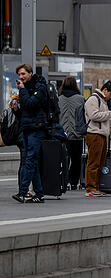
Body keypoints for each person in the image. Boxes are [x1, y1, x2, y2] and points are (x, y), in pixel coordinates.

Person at [12, 64, 49, 203]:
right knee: (32, 162)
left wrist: (22, 91)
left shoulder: (40, 87)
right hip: (27, 127)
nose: (21, 77)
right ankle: (39, 194)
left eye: (23, 74)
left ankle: (23, 192)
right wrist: (16, 108)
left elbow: (30, 104)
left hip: (37, 128)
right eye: (19, 75)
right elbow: (25, 111)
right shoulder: (27, 89)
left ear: (30, 73)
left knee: (30, 160)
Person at [83, 81, 111, 197]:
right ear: (105, 90)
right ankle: (90, 188)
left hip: (102, 134)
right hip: (94, 133)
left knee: (100, 163)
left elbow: (104, 115)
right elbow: (93, 115)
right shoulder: (93, 99)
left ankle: (96, 187)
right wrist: (109, 114)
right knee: (93, 162)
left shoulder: (103, 101)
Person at [58, 76, 85, 190]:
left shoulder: (59, 99)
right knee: (76, 160)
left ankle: (64, 181)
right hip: (77, 134)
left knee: (63, 159)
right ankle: (74, 182)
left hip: (62, 134)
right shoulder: (80, 99)